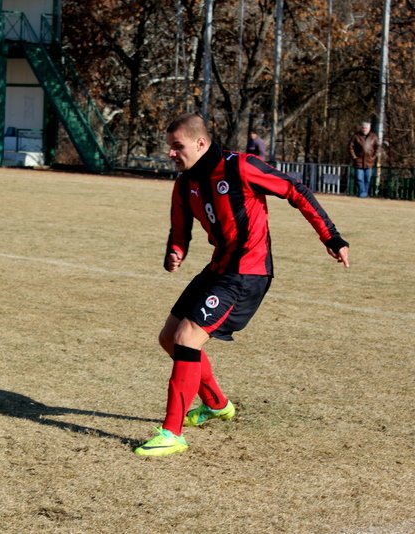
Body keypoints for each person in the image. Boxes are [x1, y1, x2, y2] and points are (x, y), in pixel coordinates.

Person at [134, 113, 350, 458]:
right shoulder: (184, 183)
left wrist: (331, 236)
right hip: (218, 268)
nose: (171, 154)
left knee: (187, 338)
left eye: (177, 146)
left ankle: (172, 432)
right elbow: (180, 226)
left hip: (248, 273)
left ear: (200, 144)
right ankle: (217, 404)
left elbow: (296, 190)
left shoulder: (241, 167)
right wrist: (175, 251)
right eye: (169, 148)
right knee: (168, 338)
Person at [348, 121, 379, 198]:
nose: (364, 129)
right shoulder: (356, 136)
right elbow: (350, 147)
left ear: (369, 128)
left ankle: (363, 193)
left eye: (366, 128)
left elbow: (378, 148)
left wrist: (373, 157)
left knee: (367, 179)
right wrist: (354, 157)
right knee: (359, 178)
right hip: (358, 162)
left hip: (369, 162)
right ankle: (363, 193)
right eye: (363, 127)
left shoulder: (374, 136)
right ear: (361, 128)